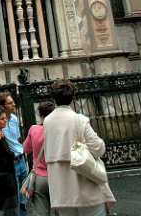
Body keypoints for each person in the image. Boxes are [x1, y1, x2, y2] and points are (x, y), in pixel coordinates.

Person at [43, 79, 115, 216]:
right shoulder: (79, 119)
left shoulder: (47, 121)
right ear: (72, 98)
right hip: (85, 187)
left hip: (61, 190)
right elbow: (98, 148)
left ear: (53, 98)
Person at [23, 101, 55, 216]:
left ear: (40, 115)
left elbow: (26, 149)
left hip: (40, 176)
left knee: (40, 212)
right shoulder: (58, 130)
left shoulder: (33, 129)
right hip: (56, 175)